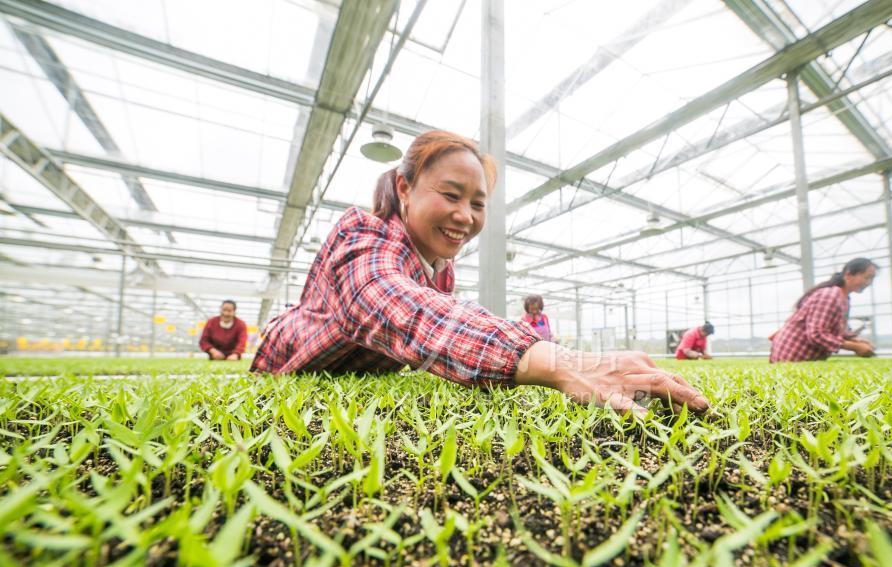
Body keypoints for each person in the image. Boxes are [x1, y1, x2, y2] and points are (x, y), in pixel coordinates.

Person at [251, 130, 707, 415]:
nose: (465, 216)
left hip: (357, 377)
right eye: (451, 195)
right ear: (404, 188)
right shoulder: (362, 235)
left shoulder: (442, 271)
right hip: (283, 372)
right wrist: (563, 363)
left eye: (477, 203)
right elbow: (388, 302)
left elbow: (432, 332)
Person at [769, 258, 878, 363]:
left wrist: (856, 340)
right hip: (792, 357)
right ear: (848, 275)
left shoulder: (844, 299)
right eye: (867, 277)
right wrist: (855, 347)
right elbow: (816, 334)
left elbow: (838, 330)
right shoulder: (830, 295)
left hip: (807, 359)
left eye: (872, 279)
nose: (869, 282)